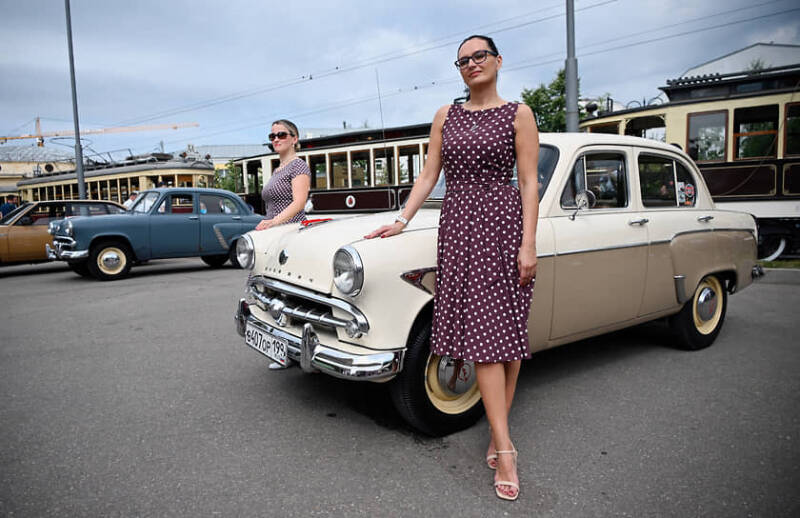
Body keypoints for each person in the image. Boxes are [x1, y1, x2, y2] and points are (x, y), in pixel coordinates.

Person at [365, 35, 539, 501]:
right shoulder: (447, 115)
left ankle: (499, 439)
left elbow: (527, 182)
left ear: (499, 60)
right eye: (462, 60)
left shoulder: (519, 114)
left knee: (507, 336)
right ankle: (505, 447)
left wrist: (528, 243)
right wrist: (400, 220)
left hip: (503, 228)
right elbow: (429, 174)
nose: (471, 64)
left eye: (479, 56)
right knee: (484, 338)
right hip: (459, 228)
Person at [257, 119, 312, 369]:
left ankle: (292, 349)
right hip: (275, 234)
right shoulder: (278, 169)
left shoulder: (298, 166)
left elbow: (299, 202)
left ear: (294, 139)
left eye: (281, 134)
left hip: (290, 233)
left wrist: (273, 223)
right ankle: (280, 346)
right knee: (272, 292)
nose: (276, 139)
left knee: (287, 294)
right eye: (272, 136)